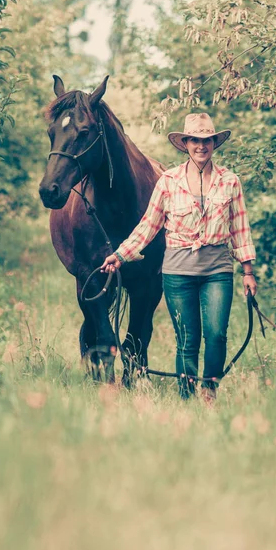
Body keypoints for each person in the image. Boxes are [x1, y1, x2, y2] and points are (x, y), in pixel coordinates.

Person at [101, 113, 257, 402]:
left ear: (214, 143)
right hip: (178, 272)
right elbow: (149, 225)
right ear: (185, 143)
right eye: (195, 140)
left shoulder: (230, 182)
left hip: (217, 271)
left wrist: (248, 270)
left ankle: (208, 390)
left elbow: (240, 228)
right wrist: (120, 255)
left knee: (217, 335)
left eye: (206, 140)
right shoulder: (168, 181)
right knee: (187, 340)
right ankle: (186, 396)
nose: (201, 146)